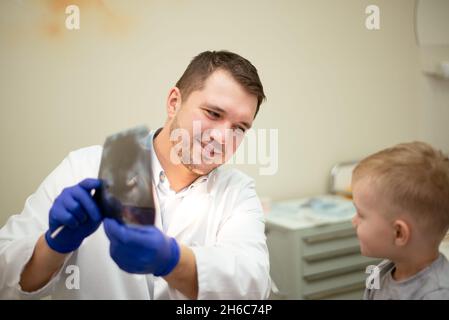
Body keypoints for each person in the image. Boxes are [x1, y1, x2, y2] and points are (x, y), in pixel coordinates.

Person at [0, 50, 271, 299]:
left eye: (240, 127)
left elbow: (253, 283)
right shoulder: (84, 166)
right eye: (213, 113)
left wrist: (172, 260)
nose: (223, 137)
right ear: (174, 102)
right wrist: (53, 246)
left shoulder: (237, 192)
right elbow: (6, 275)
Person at [351, 141, 449, 299]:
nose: (353, 221)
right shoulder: (379, 271)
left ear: (398, 233)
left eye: (360, 214)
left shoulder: (438, 294)